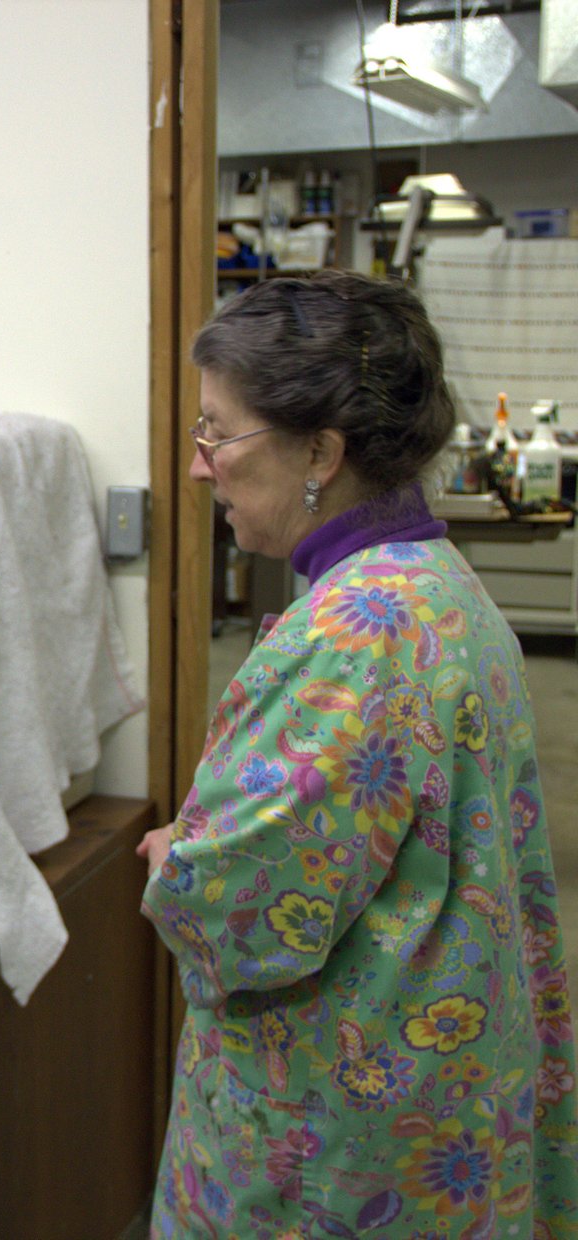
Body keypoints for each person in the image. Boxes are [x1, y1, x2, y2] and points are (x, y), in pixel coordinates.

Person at [139, 270, 578, 1237]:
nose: (201, 465)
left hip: (340, 1138)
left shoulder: (356, 635)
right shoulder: (440, 584)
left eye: (217, 431)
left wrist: (182, 858)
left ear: (320, 452)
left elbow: (248, 920)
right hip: (447, 1082)